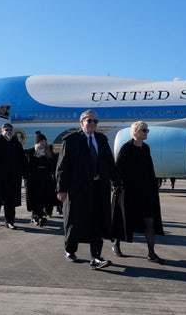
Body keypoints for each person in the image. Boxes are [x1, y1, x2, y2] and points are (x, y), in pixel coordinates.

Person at [55, 110, 120, 270]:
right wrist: (61, 189)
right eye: (89, 121)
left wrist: (116, 181)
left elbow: (109, 162)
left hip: (99, 187)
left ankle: (96, 256)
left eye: (95, 121)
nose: (93, 124)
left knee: (98, 220)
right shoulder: (71, 140)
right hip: (77, 188)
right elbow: (62, 167)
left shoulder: (101, 139)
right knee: (73, 219)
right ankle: (70, 250)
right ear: (81, 122)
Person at [111, 121, 165, 264]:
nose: (146, 133)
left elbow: (149, 169)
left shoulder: (145, 148)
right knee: (124, 219)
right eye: (143, 130)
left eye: (147, 130)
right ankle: (116, 244)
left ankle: (151, 253)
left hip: (146, 191)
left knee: (149, 220)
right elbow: (117, 169)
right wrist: (116, 185)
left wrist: (154, 185)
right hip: (129, 191)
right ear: (135, 132)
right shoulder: (126, 148)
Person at [25, 131, 58, 227]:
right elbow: (27, 165)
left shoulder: (48, 152)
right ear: (37, 142)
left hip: (45, 179)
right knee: (35, 198)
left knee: (44, 198)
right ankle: (36, 216)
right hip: (33, 180)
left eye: (44, 141)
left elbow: (54, 164)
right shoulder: (30, 152)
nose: (43, 143)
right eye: (41, 141)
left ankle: (40, 215)